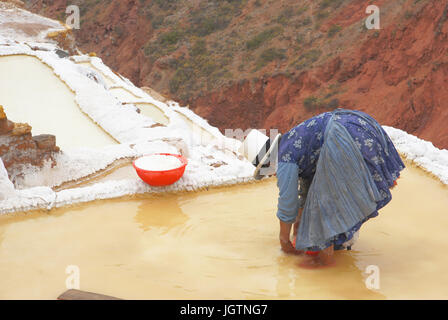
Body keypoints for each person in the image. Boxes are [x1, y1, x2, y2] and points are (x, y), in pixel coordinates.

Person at [253, 108, 405, 268]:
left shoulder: (284, 159)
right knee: (324, 205)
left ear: (267, 163)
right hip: (359, 126)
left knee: (322, 211)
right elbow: (307, 192)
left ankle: (328, 267)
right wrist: (299, 227)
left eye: (266, 172)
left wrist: (284, 241)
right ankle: (338, 248)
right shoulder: (293, 144)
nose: (269, 176)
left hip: (343, 138)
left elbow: (287, 204)